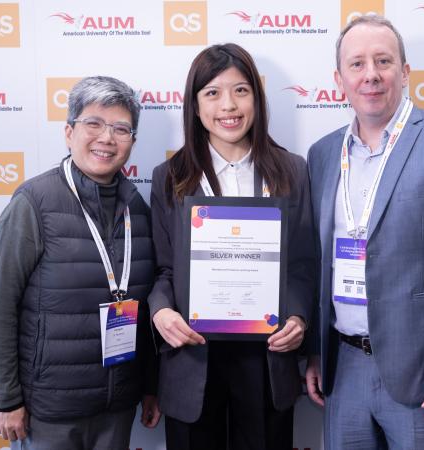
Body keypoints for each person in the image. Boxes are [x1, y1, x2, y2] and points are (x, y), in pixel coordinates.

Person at [305, 15, 424, 450]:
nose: (370, 74)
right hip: (344, 368)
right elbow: (320, 262)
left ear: (405, 71)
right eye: (357, 64)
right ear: (339, 79)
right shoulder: (321, 154)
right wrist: (317, 352)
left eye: (383, 60)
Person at [0, 76, 161, 450]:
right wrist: (7, 399)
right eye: (93, 123)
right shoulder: (34, 203)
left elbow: (147, 308)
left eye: (120, 128)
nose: (106, 138)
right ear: (68, 132)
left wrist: (150, 386)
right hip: (50, 411)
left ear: (132, 141)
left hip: (117, 407)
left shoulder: (139, 209)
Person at [148, 43, 316, 450]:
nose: (229, 105)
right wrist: (161, 311)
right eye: (212, 93)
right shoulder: (170, 176)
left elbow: (303, 264)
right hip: (192, 353)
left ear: (257, 99)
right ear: (195, 105)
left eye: (241, 90)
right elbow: (165, 270)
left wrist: (298, 317)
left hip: (266, 354)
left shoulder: (291, 169)